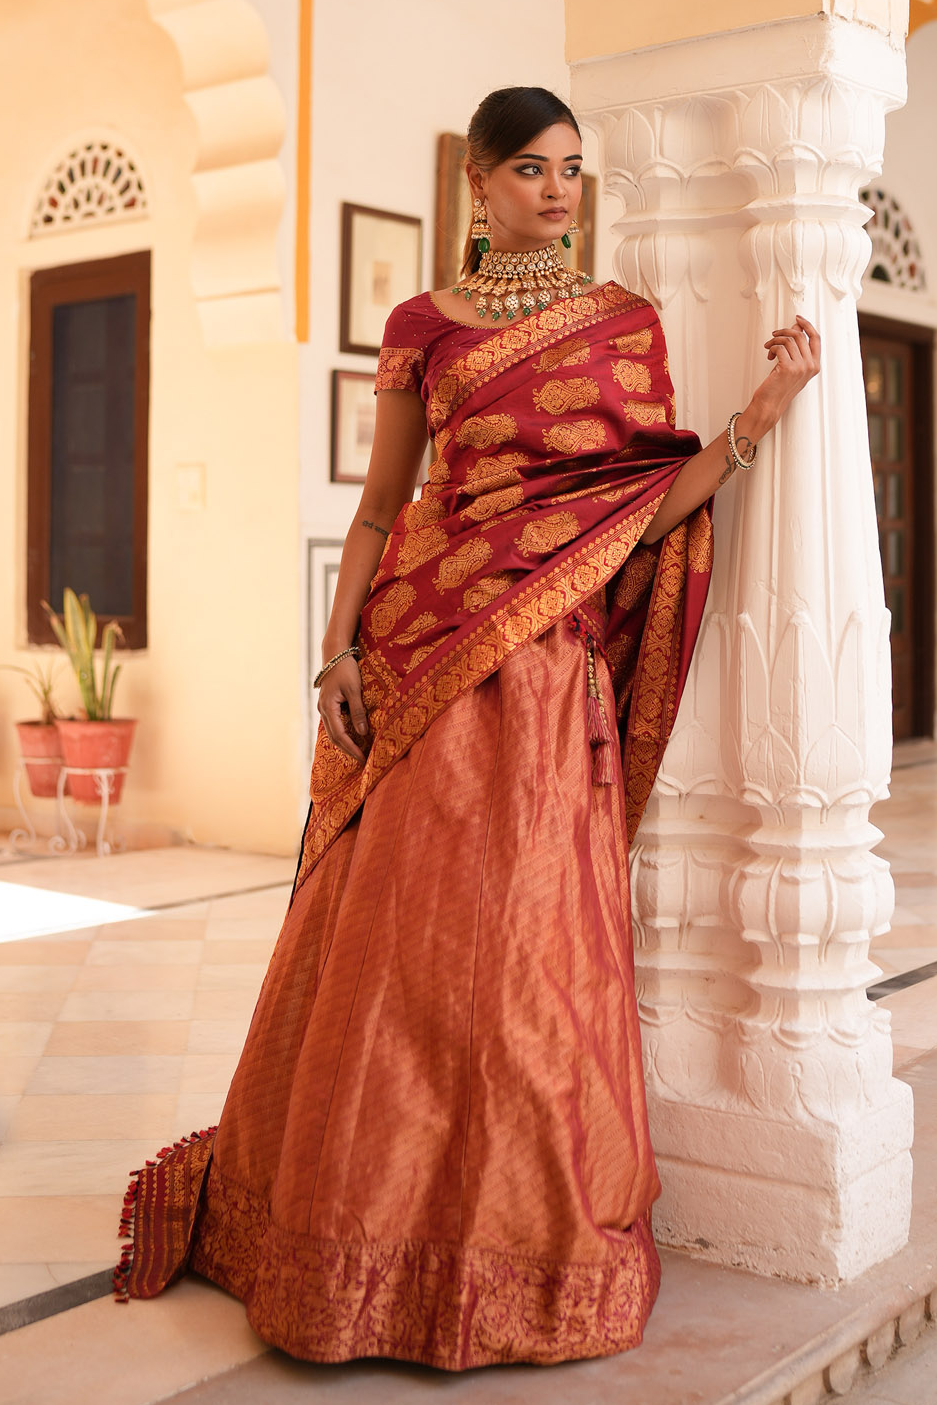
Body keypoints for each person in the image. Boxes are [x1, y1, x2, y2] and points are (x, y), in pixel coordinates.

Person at [114, 86, 820, 1371]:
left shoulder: (622, 326)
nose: (559, 190)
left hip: (544, 686)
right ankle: (349, 1245)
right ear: (478, 187)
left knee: (521, 969)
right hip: (419, 659)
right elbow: (383, 507)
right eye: (533, 170)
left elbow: (638, 512)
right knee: (392, 961)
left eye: (573, 169)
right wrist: (334, 648)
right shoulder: (419, 328)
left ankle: (505, 1245)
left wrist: (753, 424)